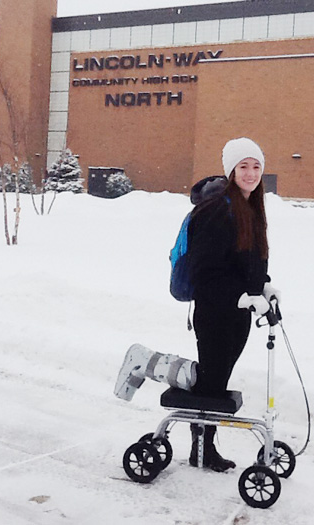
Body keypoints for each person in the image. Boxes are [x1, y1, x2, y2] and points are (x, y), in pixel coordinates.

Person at [114, 137, 281, 473]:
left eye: (256, 166)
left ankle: (201, 448)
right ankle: (147, 364)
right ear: (231, 171)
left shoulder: (250, 206)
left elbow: (247, 261)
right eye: (243, 166)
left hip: (238, 313)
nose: (250, 173)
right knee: (211, 382)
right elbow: (207, 270)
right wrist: (240, 296)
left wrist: (263, 287)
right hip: (216, 310)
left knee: (213, 382)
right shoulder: (218, 209)